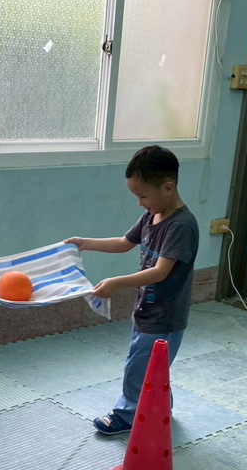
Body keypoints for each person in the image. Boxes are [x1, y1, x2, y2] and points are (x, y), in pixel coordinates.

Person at [66, 145, 199, 435]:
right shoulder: (152, 216)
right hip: (146, 310)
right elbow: (124, 243)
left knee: (139, 367)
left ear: (167, 188)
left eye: (143, 196)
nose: (140, 204)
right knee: (151, 366)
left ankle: (126, 415)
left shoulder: (181, 226)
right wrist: (85, 243)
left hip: (165, 317)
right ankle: (160, 407)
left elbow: (160, 272)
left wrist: (117, 283)